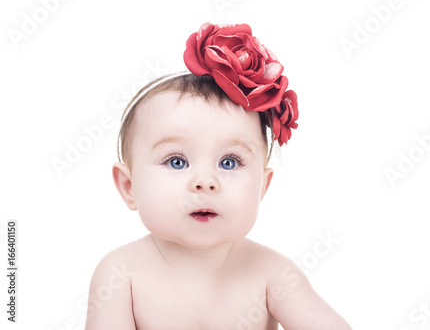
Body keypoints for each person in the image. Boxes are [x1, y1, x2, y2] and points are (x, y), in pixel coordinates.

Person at [85, 23, 351, 330]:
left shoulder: (272, 274)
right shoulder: (121, 274)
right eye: (176, 161)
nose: (205, 181)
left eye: (229, 162)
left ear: (261, 187)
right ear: (129, 187)